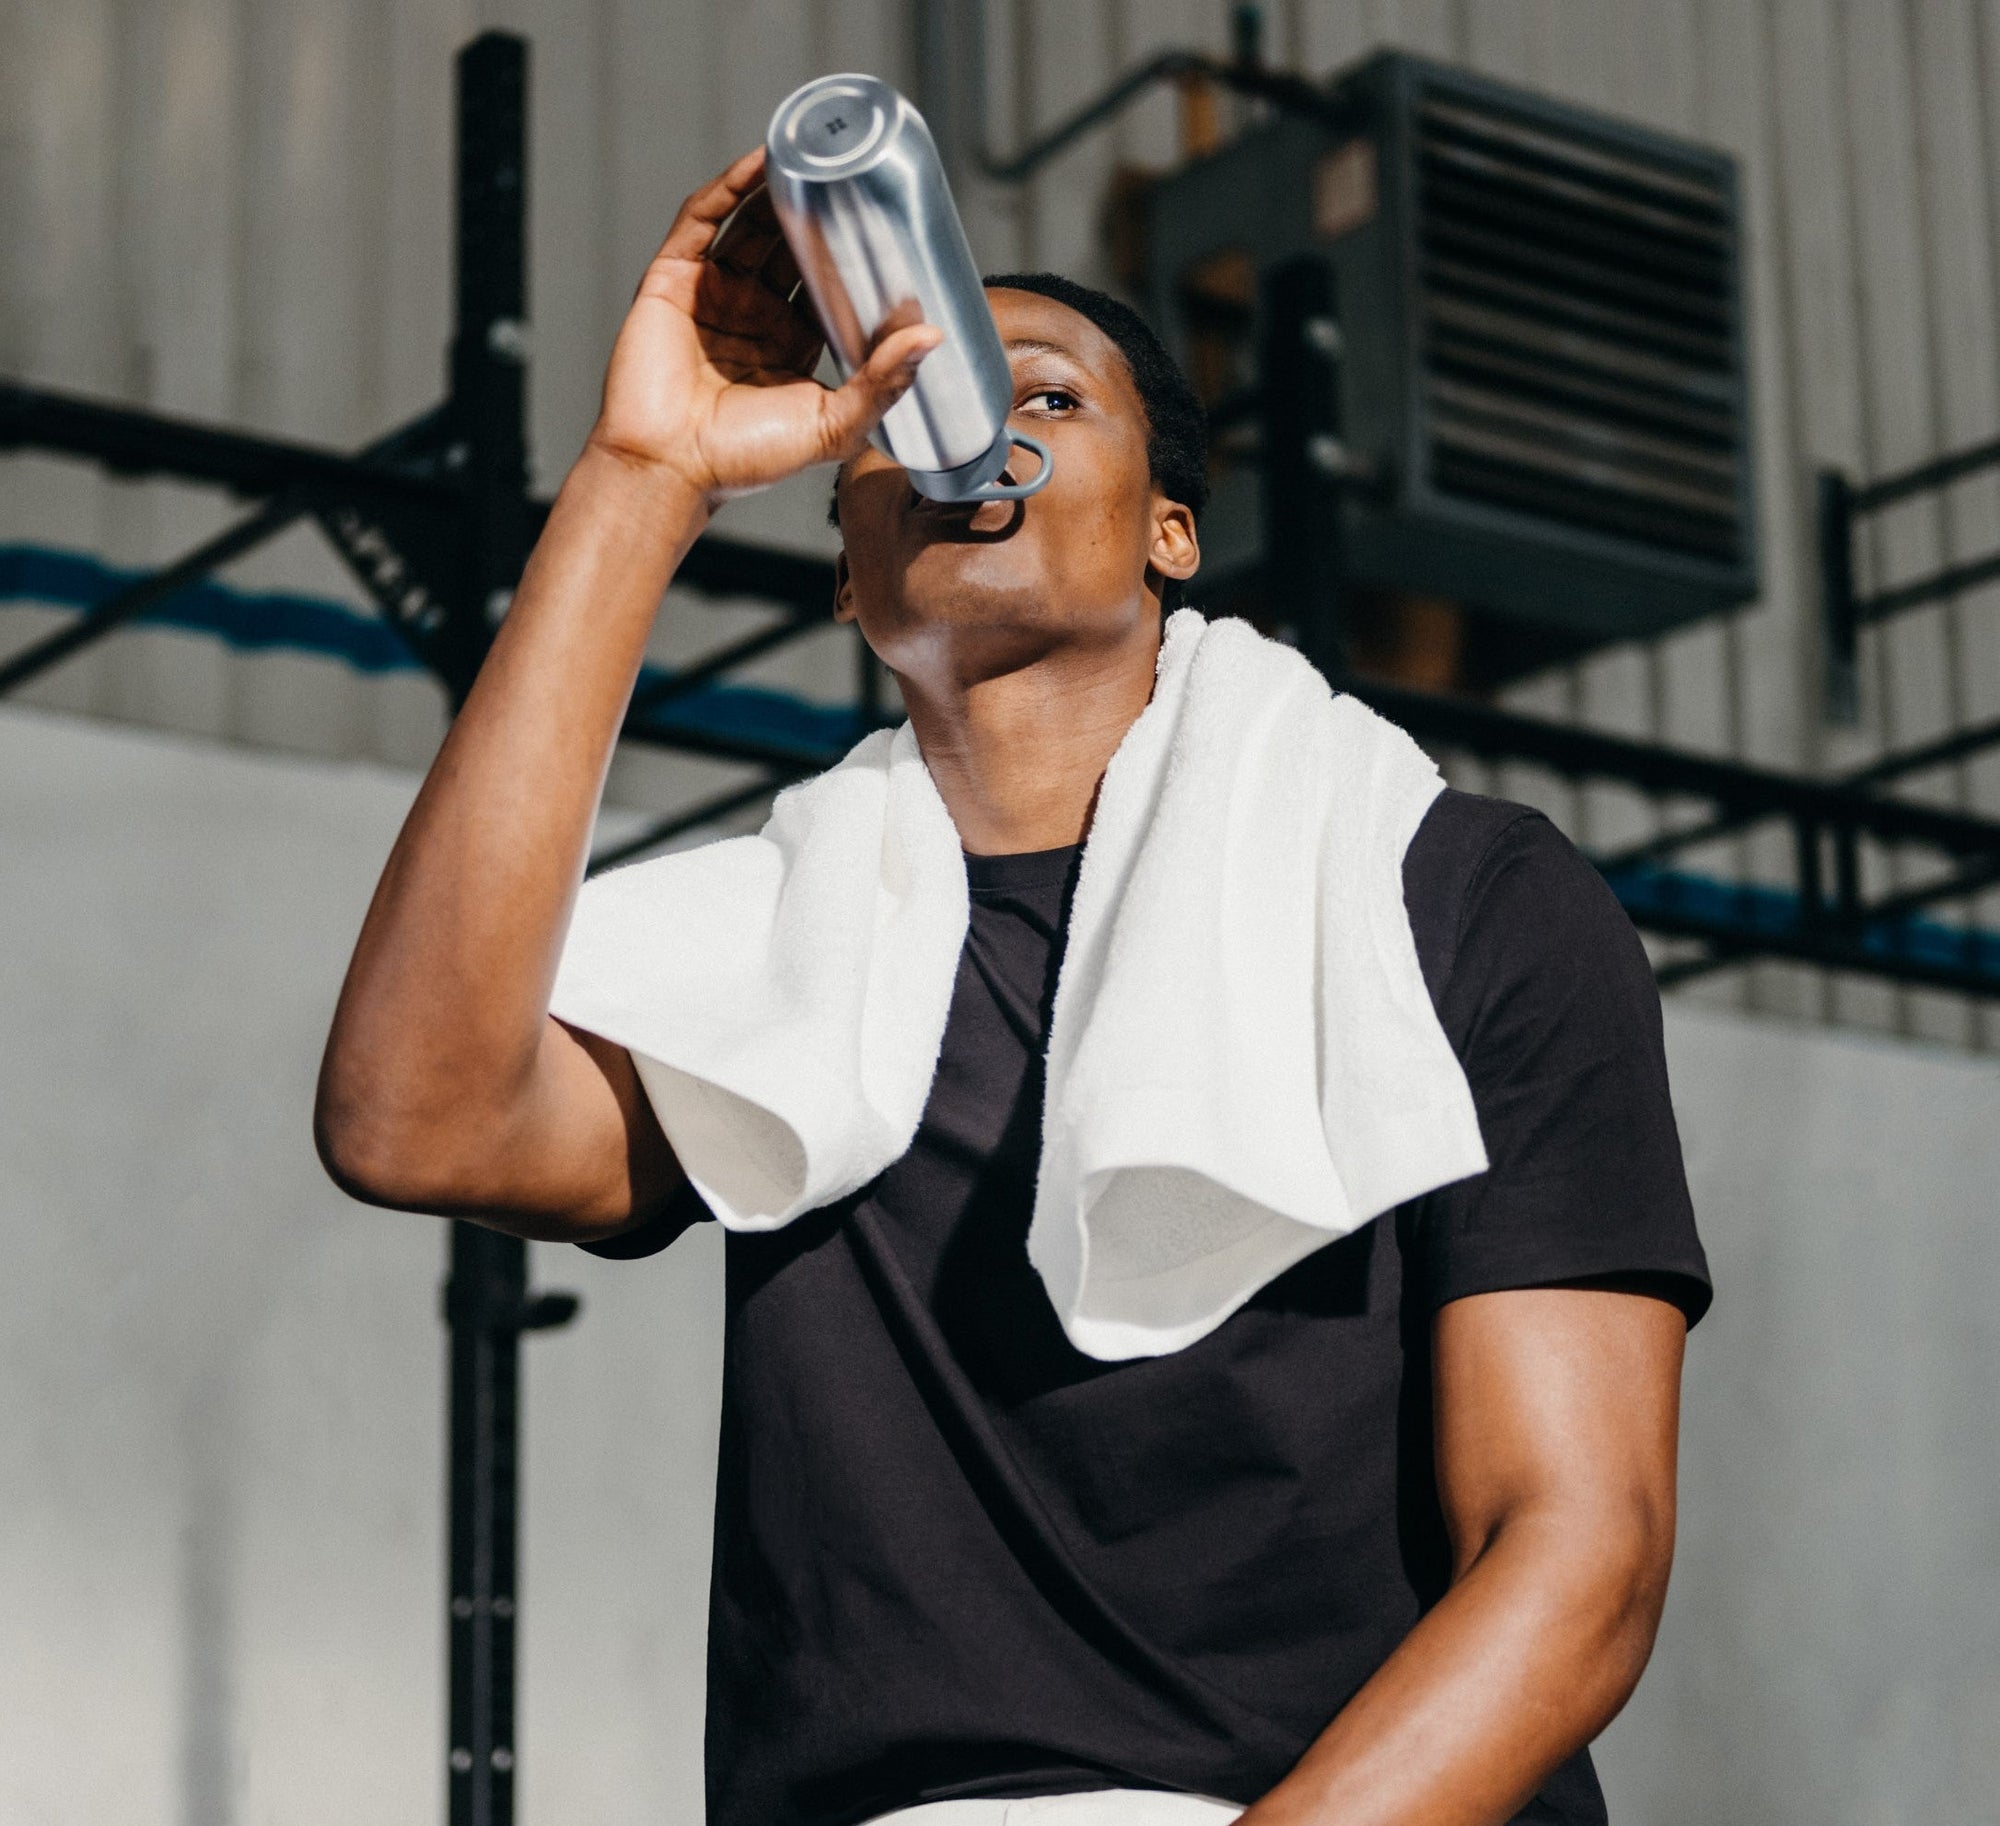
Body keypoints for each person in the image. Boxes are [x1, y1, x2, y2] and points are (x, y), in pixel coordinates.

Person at [315, 147, 1709, 1826]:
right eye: (898, 411)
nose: (968, 429)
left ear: (1170, 530)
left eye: (1044, 392)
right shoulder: (776, 955)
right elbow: (414, 1117)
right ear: (849, 572)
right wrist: (642, 475)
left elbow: (1578, 1553)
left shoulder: (1454, 893)